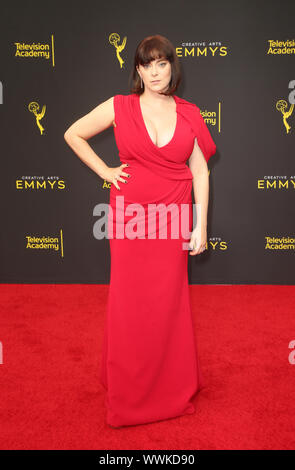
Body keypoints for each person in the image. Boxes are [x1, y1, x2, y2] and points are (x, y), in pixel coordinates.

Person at [64, 34, 217, 428]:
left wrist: (201, 224)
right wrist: (106, 172)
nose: (154, 72)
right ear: (137, 70)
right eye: (146, 64)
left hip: (173, 217)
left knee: (168, 302)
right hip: (130, 218)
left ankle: (169, 387)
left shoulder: (189, 113)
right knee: (130, 303)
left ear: (171, 67)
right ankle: (128, 390)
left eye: (161, 63)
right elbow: (73, 134)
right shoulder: (120, 106)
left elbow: (199, 169)